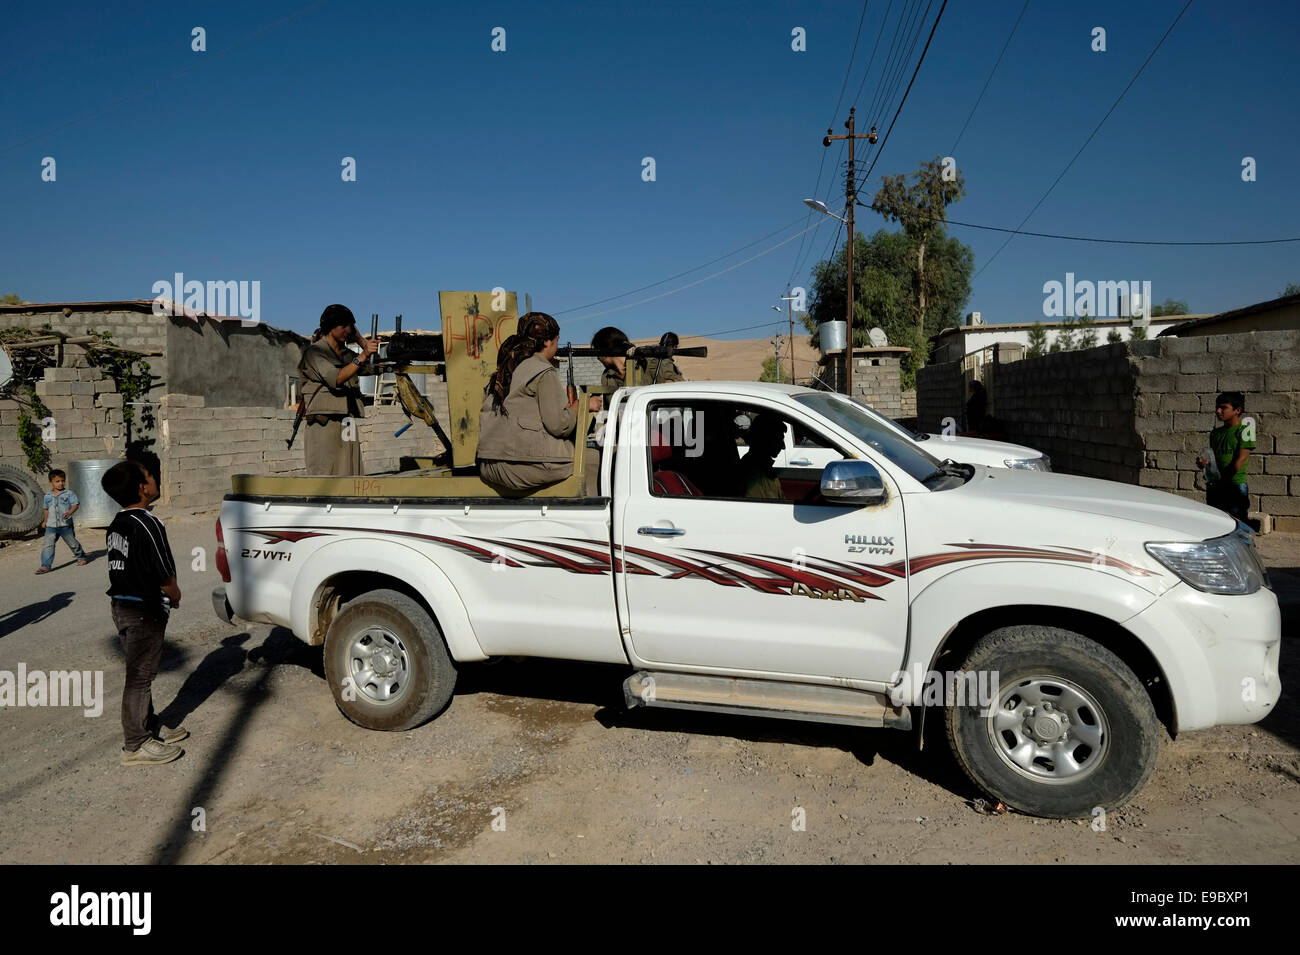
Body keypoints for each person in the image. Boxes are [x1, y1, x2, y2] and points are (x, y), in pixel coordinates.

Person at [101, 459, 188, 766]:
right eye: (151, 476)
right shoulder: (147, 522)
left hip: (122, 606)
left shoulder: (117, 524)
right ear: (142, 488)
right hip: (143, 609)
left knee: (139, 672)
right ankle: (135, 744)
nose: (156, 479)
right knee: (139, 677)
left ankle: (148, 724)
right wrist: (173, 594)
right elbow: (162, 570)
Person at [477, 312, 578, 494]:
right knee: (593, 459)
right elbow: (559, 426)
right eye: (556, 340)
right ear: (547, 341)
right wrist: (577, 409)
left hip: (488, 466)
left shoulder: (505, 368)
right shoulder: (543, 371)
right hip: (520, 466)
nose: (557, 345)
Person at [297, 304, 378, 475]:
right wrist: (362, 355)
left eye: (351, 326)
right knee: (325, 475)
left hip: (346, 421)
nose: (348, 330)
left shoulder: (347, 354)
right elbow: (336, 378)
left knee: (350, 471)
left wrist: (363, 343)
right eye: (344, 326)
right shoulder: (315, 353)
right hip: (324, 423)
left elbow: (373, 367)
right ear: (331, 327)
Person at [589, 326, 684, 411]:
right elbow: (609, 409)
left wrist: (668, 387)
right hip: (624, 429)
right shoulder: (607, 377)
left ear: (605, 350)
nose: (597, 358)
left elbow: (681, 388)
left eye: (597, 352)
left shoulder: (652, 363)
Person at [1196, 391, 1255, 523]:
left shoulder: (1246, 430)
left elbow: (1241, 460)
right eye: (1217, 407)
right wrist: (1204, 464)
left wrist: (1223, 481)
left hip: (1234, 485)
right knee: (1216, 524)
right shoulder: (1215, 433)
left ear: (1237, 410)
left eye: (1223, 407)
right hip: (1215, 486)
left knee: (1237, 523)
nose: (1218, 411)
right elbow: (1213, 461)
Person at [35, 469, 88, 574]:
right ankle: (45, 565)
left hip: (65, 525)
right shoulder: (47, 496)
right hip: (51, 526)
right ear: (51, 482)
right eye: (57, 481)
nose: (61, 483)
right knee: (48, 545)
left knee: (72, 543)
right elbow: (46, 509)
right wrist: (45, 521)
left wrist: (69, 512)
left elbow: (76, 504)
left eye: (63, 481)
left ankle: (81, 556)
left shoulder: (69, 494)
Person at [735, 412, 786, 500]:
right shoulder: (754, 475)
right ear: (765, 440)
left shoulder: (765, 468)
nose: (783, 446)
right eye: (779, 439)